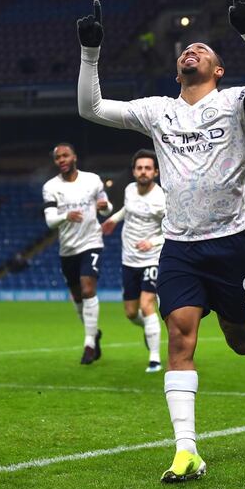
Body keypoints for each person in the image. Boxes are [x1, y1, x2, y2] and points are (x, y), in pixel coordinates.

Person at [77, 0, 245, 483]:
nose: (190, 50)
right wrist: (91, 51)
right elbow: (92, 109)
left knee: (239, 338)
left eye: (202, 50)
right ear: (177, 70)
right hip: (180, 245)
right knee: (180, 337)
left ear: (218, 69)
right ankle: (186, 450)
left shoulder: (236, 101)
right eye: (185, 51)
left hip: (231, 239)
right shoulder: (158, 111)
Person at [42, 143, 112, 364]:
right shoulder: (50, 186)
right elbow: (50, 221)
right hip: (68, 249)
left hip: (91, 242)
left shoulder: (92, 180)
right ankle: (94, 333)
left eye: (65, 155)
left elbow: (107, 207)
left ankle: (89, 343)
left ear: (74, 157)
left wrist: (105, 208)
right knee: (77, 296)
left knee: (87, 287)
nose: (61, 159)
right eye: (57, 157)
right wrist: (66, 216)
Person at [101, 149, 165, 373]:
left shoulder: (161, 198)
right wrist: (113, 219)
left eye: (148, 168)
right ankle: (149, 330)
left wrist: (153, 243)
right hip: (129, 259)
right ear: (134, 171)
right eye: (139, 168)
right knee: (131, 312)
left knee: (147, 305)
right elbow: (128, 209)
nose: (143, 172)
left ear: (155, 172)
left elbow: (172, 229)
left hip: (151, 260)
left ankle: (155, 359)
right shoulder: (129, 190)